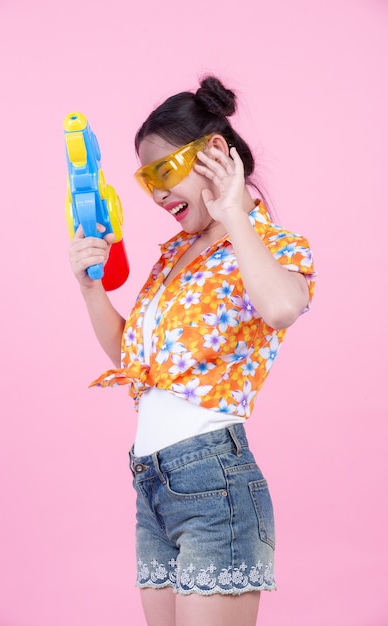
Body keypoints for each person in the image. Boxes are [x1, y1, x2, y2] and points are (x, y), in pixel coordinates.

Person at [69, 75, 315, 626]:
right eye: (146, 178)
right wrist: (92, 288)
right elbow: (134, 361)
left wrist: (235, 215)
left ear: (215, 155)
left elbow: (279, 308)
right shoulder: (173, 256)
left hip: (213, 483)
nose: (156, 195)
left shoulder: (274, 245)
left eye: (165, 173)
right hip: (152, 485)